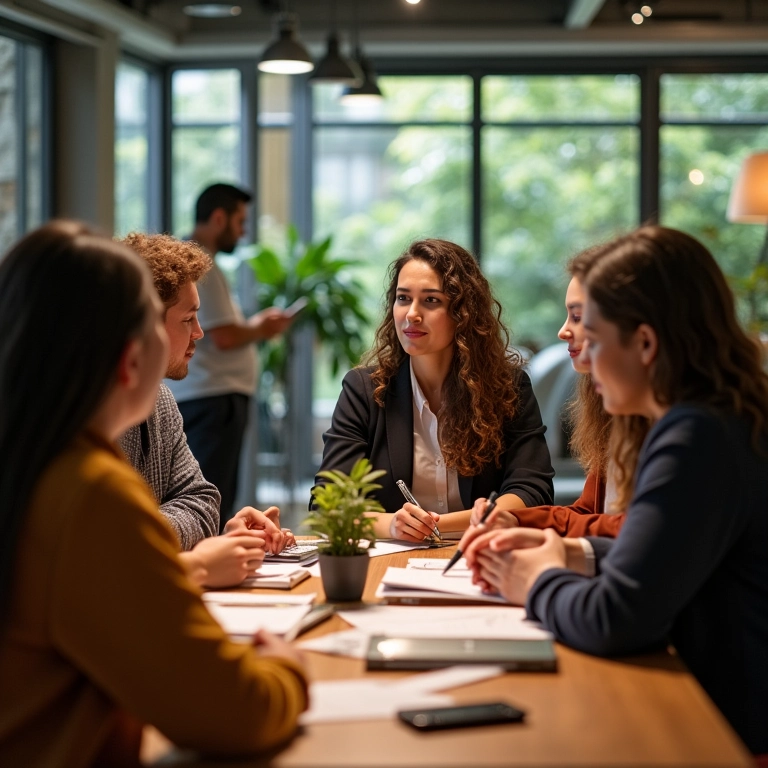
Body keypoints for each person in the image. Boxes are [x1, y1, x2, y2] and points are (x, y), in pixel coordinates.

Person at [0, 221, 308, 766]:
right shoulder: (90, 489)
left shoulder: (35, 456)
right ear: (129, 354)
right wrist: (289, 667)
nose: (197, 335)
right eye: (173, 323)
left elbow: (200, 498)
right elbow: (236, 711)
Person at [464, 226, 768, 756]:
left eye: (597, 337)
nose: (586, 354)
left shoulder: (695, 436)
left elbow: (614, 619)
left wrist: (536, 580)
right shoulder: (722, 417)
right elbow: (667, 556)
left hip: (724, 735)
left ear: (646, 343)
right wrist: (571, 554)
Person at [317, 238, 554, 541]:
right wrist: (392, 525)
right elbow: (328, 504)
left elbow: (533, 491)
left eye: (431, 300)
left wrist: (438, 524)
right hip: (392, 557)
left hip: (479, 551)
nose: (412, 314)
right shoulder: (364, 390)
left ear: (463, 313)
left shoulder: (508, 387)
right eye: (403, 298)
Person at [118, 232, 295, 588]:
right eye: (188, 319)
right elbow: (101, 544)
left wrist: (162, 538)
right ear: (146, 325)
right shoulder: (78, 419)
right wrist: (189, 557)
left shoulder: (162, 402)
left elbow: (201, 501)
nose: (199, 333)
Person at [168, 183, 295, 525]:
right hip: (211, 399)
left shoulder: (203, 265)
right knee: (208, 498)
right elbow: (223, 336)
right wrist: (261, 327)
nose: (243, 231)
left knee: (213, 495)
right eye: (240, 221)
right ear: (219, 218)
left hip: (213, 397)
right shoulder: (196, 267)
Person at [487, 270, 649, 537]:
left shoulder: (677, 423)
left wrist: (524, 524)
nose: (562, 332)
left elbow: (635, 527)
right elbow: (588, 514)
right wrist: (512, 518)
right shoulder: (615, 415)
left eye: (578, 317)